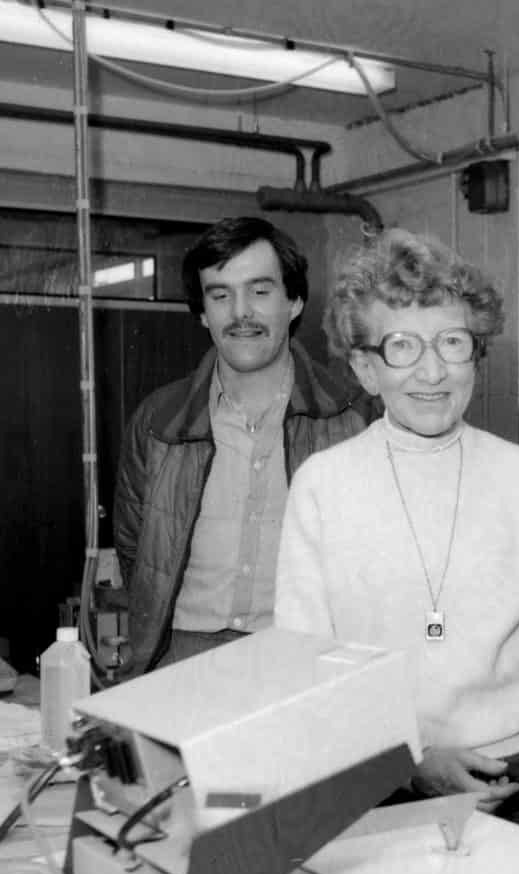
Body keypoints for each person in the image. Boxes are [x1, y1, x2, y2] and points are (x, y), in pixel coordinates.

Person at [274, 228, 519, 858]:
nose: (432, 371)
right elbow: (307, 676)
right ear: (364, 368)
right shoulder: (323, 486)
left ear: (475, 356)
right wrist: (410, 763)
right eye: (402, 346)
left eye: (452, 343)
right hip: (384, 789)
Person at [113, 216, 373, 675]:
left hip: (301, 656)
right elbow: (138, 554)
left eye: (259, 291)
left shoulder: (353, 417)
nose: (240, 313)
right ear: (201, 313)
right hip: (180, 660)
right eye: (220, 295)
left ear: (294, 301)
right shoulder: (157, 423)